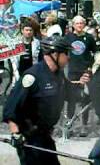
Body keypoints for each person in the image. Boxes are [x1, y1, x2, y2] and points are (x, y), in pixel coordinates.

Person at [2, 36, 77, 165]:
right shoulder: (32, 76)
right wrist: (16, 134)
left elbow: (70, 93)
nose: (69, 57)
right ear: (55, 53)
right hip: (29, 138)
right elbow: (11, 107)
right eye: (66, 53)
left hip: (45, 136)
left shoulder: (58, 75)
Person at [65, 15, 96, 136]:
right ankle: (70, 124)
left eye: (81, 23)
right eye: (77, 23)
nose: (79, 25)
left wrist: (90, 68)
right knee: (71, 99)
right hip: (72, 72)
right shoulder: (68, 37)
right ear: (73, 25)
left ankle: (84, 125)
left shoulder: (89, 38)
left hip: (85, 71)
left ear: (84, 25)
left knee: (85, 98)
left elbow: (95, 53)